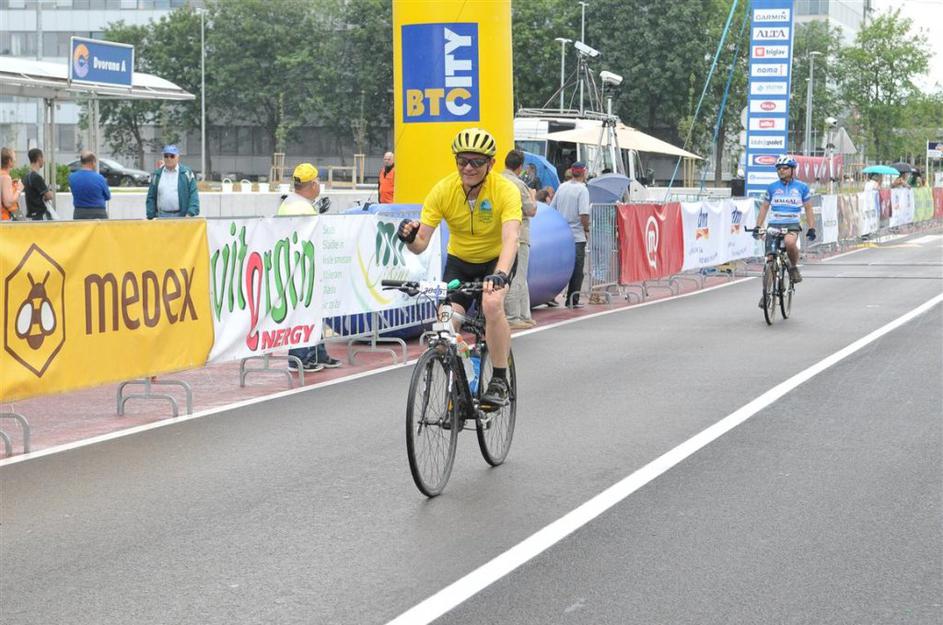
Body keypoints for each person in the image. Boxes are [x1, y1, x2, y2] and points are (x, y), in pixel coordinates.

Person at [396, 127, 522, 406]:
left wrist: (500, 274)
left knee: (492, 305)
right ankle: (466, 371)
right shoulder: (443, 190)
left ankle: (499, 379)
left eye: (476, 161)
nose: (468, 168)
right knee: (443, 327)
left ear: (491, 163)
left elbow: (511, 237)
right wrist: (409, 238)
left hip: (495, 260)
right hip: (460, 262)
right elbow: (420, 243)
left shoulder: (505, 190)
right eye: (462, 160)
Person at [278, 163, 342, 372]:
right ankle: (300, 356)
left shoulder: (290, 203)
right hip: (302, 267)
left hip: (299, 265)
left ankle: (317, 352)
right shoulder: (302, 208)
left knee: (312, 310)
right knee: (303, 311)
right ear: (313, 184)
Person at [754, 155, 816, 301]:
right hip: (775, 224)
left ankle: (793, 267)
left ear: (793, 169)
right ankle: (766, 295)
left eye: (785, 168)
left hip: (792, 224)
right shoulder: (772, 187)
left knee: (789, 242)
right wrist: (758, 226)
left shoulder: (802, 187)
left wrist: (811, 227)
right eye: (779, 168)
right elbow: (764, 207)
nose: (781, 171)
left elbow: (808, 208)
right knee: (770, 258)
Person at [501, 149, 537, 329]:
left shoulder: (497, 181)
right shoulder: (518, 184)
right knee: (517, 276)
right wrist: (533, 197)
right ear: (520, 167)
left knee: (513, 274)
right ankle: (513, 317)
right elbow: (530, 210)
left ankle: (524, 315)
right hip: (519, 234)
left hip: (500, 234)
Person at [550, 160, 591, 307]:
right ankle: (573, 300)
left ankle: (549, 295)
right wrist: (587, 229)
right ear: (584, 172)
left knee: (558, 267)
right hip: (576, 236)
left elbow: (552, 208)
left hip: (561, 234)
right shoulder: (583, 190)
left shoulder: (562, 187)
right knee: (577, 270)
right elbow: (584, 214)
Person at [146, 144, 200, 219]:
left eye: (172, 156)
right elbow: (151, 197)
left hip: (182, 217)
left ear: (177, 157)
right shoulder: (157, 175)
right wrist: (151, 215)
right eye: (166, 156)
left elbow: (193, 194)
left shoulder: (186, 173)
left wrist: (190, 213)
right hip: (161, 217)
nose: (169, 159)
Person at [68, 151, 110, 219]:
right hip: (99, 213)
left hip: (79, 213)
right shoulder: (100, 178)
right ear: (92, 162)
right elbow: (107, 196)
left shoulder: (72, 177)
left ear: (81, 162)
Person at [22, 148, 56, 220]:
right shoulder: (37, 177)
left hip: (31, 214)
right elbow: (49, 196)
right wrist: (48, 194)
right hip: (39, 215)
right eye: (42, 157)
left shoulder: (26, 177)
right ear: (39, 158)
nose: (43, 160)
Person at [1, 146, 22, 221]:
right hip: (5, 218)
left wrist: (12, 185)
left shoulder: (2, 175)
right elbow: (8, 202)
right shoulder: (6, 177)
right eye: (14, 157)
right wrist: (19, 189)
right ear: (10, 160)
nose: (15, 160)